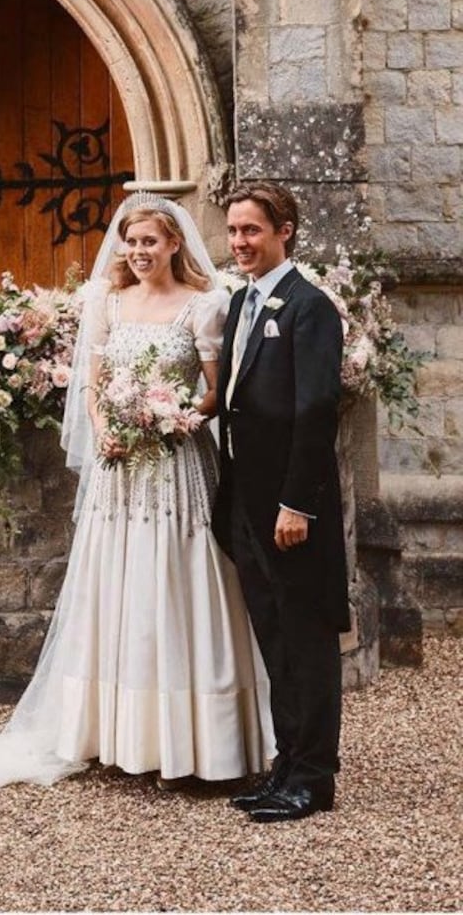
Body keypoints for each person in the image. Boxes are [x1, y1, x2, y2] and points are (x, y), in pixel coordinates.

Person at [0, 194, 271, 787]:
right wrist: (108, 431)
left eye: (150, 242)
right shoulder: (107, 301)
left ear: (174, 244)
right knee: (119, 584)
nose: (138, 252)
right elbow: (93, 386)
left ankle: (197, 740)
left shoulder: (204, 305)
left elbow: (216, 391)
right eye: (131, 243)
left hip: (176, 465)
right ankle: (114, 731)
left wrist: (173, 418)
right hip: (119, 470)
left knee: (179, 582)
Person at [213, 182, 347, 824]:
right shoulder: (242, 303)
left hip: (292, 512)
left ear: (285, 230)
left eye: (252, 231)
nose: (239, 242)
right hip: (246, 502)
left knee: (307, 641)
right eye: (234, 231)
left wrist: (298, 503)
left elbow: (316, 411)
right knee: (274, 641)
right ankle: (285, 766)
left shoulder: (309, 307)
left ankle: (314, 779)